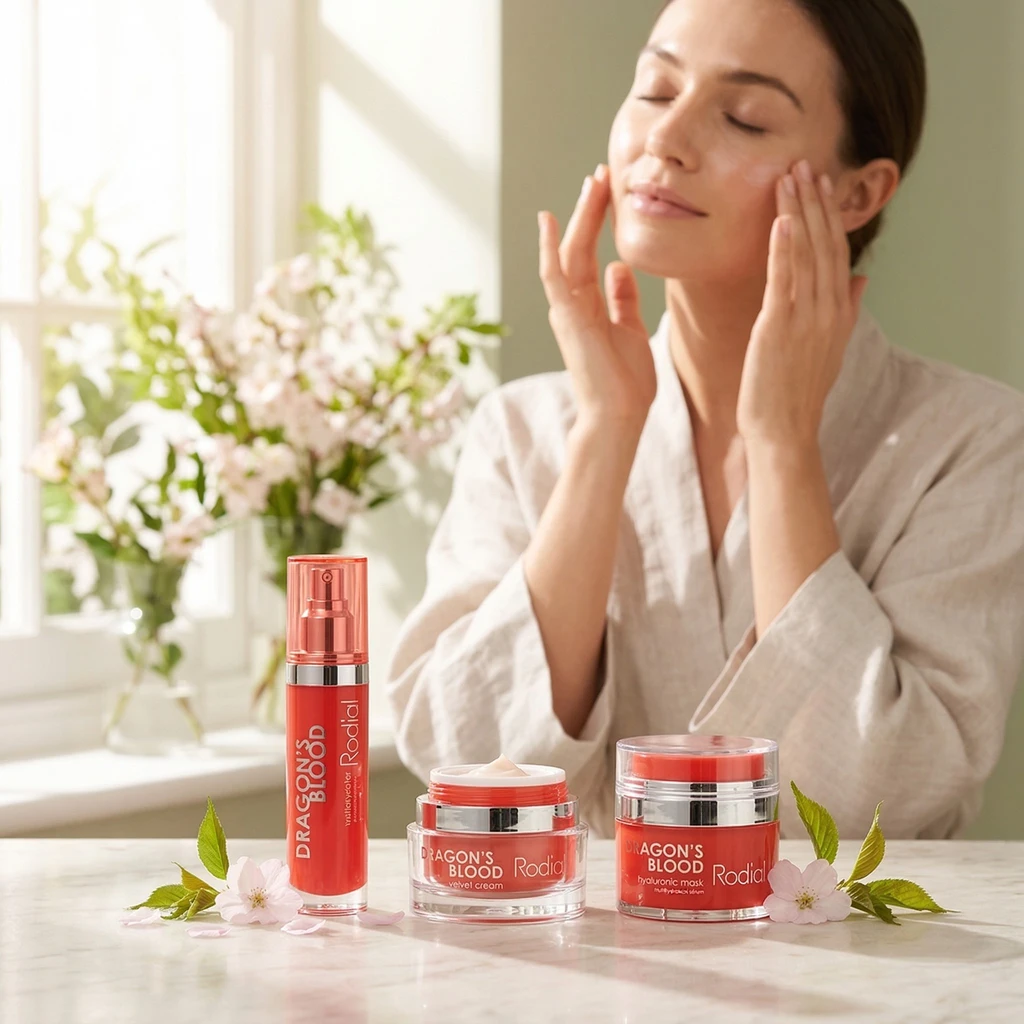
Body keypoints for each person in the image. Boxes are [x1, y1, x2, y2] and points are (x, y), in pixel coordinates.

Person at [386, 0, 1024, 839]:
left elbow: (874, 799)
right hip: (585, 928)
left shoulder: (972, 440)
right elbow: (467, 765)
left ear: (858, 192)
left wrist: (783, 446)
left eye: (743, 117)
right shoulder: (524, 431)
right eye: (655, 90)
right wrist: (606, 430)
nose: (666, 138)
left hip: (849, 931)